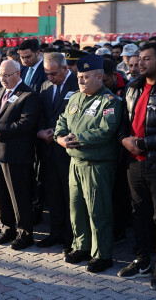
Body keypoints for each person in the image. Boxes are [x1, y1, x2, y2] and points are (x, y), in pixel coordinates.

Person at [55, 54, 121, 273]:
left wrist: (75, 139)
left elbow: (105, 131)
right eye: (79, 76)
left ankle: (102, 254)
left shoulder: (109, 101)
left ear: (100, 77)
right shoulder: (75, 98)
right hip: (75, 162)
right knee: (77, 209)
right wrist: (60, 138)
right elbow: (62, 121)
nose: (80, 81)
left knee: (97, 211)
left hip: (97, 164)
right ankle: (81, 246)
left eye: (85, 77)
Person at [117, 42, 156, 290]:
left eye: (147, 59)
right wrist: (125, 140)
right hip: (133, 163)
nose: (141, 63)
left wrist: (144, 144)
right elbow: (123, 121)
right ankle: (142, 259)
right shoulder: (133, 87)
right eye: (139, 59)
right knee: (139, 214)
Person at [0, 59, 40, 250]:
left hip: (16, 153)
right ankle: (7, 228)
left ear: (18, 74)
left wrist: (0, 130)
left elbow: (26, 123)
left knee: (19, 195)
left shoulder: (28, 94)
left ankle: (25, 233)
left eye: (7, 75)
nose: (3, 79)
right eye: (0, 75)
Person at [36, 52, 78, 253]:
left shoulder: (77, 86)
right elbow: (41, 112)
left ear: (65, 69)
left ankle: (71, 238)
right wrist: (41, 130)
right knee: (52, 194)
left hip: (66, 150)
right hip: (47, 149)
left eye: (53, 73)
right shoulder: (45, 86)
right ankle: (55, 233)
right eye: (46, 73)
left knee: (69, 195)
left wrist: (57, 134)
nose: (50, 78)